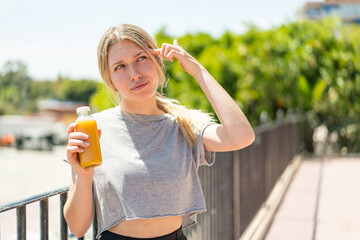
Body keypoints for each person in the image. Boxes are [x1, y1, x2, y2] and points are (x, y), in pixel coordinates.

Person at [63, 24, 255, 240]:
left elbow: (242, 136)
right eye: (120, 67)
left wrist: (198, 71)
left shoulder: (184, 125)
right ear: (111, 81)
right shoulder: (92, 129)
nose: (134, 74)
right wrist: (84, 174)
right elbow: (78, 228)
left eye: (141, 59)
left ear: (157, 62)